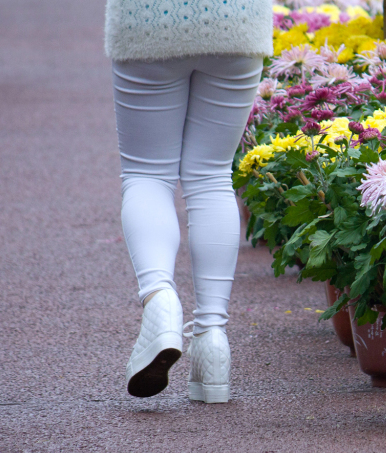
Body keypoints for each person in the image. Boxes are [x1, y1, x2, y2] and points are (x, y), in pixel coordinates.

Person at [105, 1, 273, 402]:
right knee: (212, 175)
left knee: (147, 173)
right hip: (237, 22)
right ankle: (212, 337)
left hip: (146, 21)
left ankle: (160, 299)